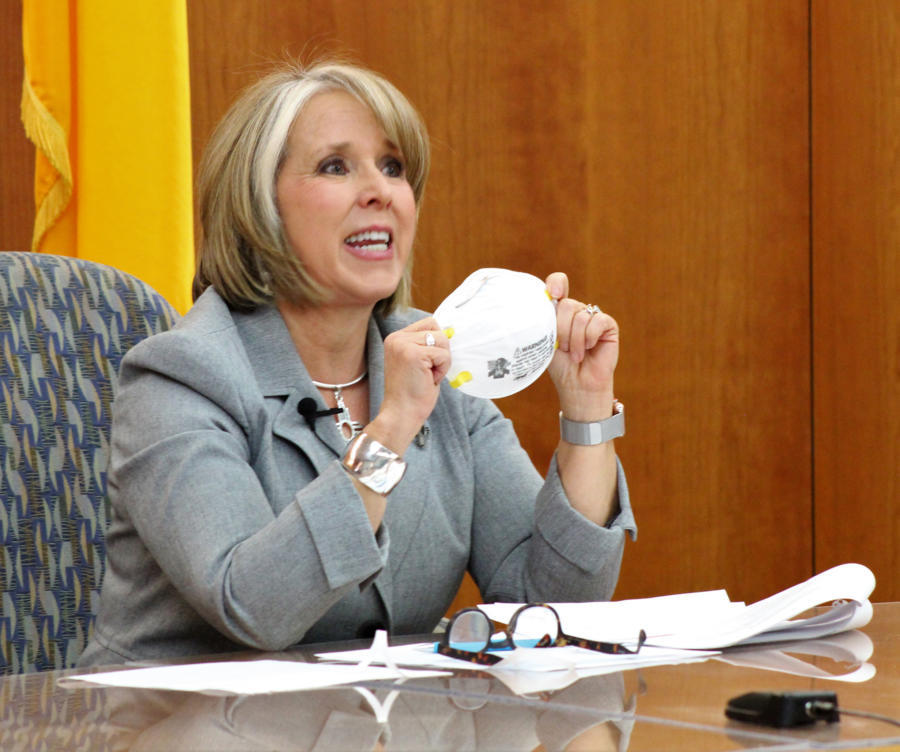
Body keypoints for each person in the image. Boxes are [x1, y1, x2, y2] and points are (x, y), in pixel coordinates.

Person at [79, 60, 636, 666]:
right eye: (335, 166)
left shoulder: (437, 361)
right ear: (259, 206)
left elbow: (551, 604)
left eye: (393, 168)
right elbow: (253, 605)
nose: (380, 191)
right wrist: (391, 429)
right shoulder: (183, 376)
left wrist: (587, 415)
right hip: (171, 725)